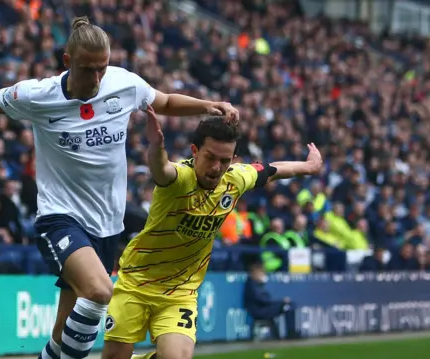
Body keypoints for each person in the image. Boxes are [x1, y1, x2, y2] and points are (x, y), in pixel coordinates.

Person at [0, 16, 239, 359]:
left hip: (106, 225)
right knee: (100, 291)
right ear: (68, 62)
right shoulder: (38, 95)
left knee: (61, 341)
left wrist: (209, 105)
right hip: (61, 217)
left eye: (103, 68)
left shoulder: (124, 84)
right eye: (89, 69)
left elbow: (162, 102)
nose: (98, 78)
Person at [101, 107, 322, 359]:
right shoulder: (179, 178)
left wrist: (308, 166)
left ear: (234, 159)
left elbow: (274, 170)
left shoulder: (236, 179)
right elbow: (161, 169)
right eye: (210, 157)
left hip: (181, 292)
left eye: (225, 160)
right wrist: (156, 147)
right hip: (137, 284)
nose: (217, 167)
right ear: (195, 151)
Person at [244, 259, 299, 340]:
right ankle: (291, 333)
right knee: (286, 306)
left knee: (289, 306)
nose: (263, 275)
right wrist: (281, 301)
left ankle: (291, 331)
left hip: (263, 308)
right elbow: (261, 299)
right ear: (255, 273)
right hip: (258, 310)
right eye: (261, 273)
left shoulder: (257, 284)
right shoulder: (252, 284)